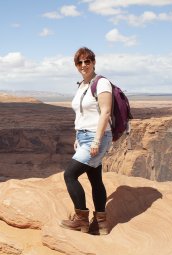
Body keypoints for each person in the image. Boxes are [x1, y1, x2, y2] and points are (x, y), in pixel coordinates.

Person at [60, 47, 113, 235]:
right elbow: (82, 114)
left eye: (87, 61)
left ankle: (81, 220)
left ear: (94, 62)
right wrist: (77, 137)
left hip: (96, 137)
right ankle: (101, 224)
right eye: (79, 62)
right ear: (76, 65)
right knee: (95, 178)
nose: (84, 65)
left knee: (70, 175)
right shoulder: (82, 85)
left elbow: (105, 112)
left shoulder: (102, 83)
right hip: (84, 136)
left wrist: (96, 142)